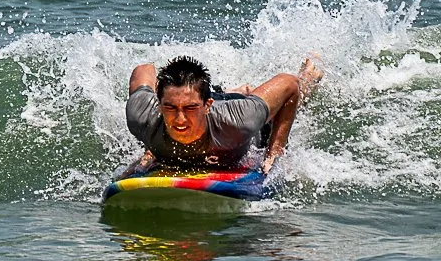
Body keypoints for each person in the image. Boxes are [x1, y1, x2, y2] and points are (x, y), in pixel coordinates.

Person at [124, 52, 324, 173]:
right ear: (159, 105)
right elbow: (144, 68)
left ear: (206, 105)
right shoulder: (142, 115)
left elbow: (288, 84)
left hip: (229, 112)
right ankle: (232, 92)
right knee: (185, 101)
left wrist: (275, 152)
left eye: (189, 109)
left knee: (298, 96)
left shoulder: (241, 120)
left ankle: (310, 76)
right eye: (170, 108)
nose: (180, 119)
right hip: (203, 99)